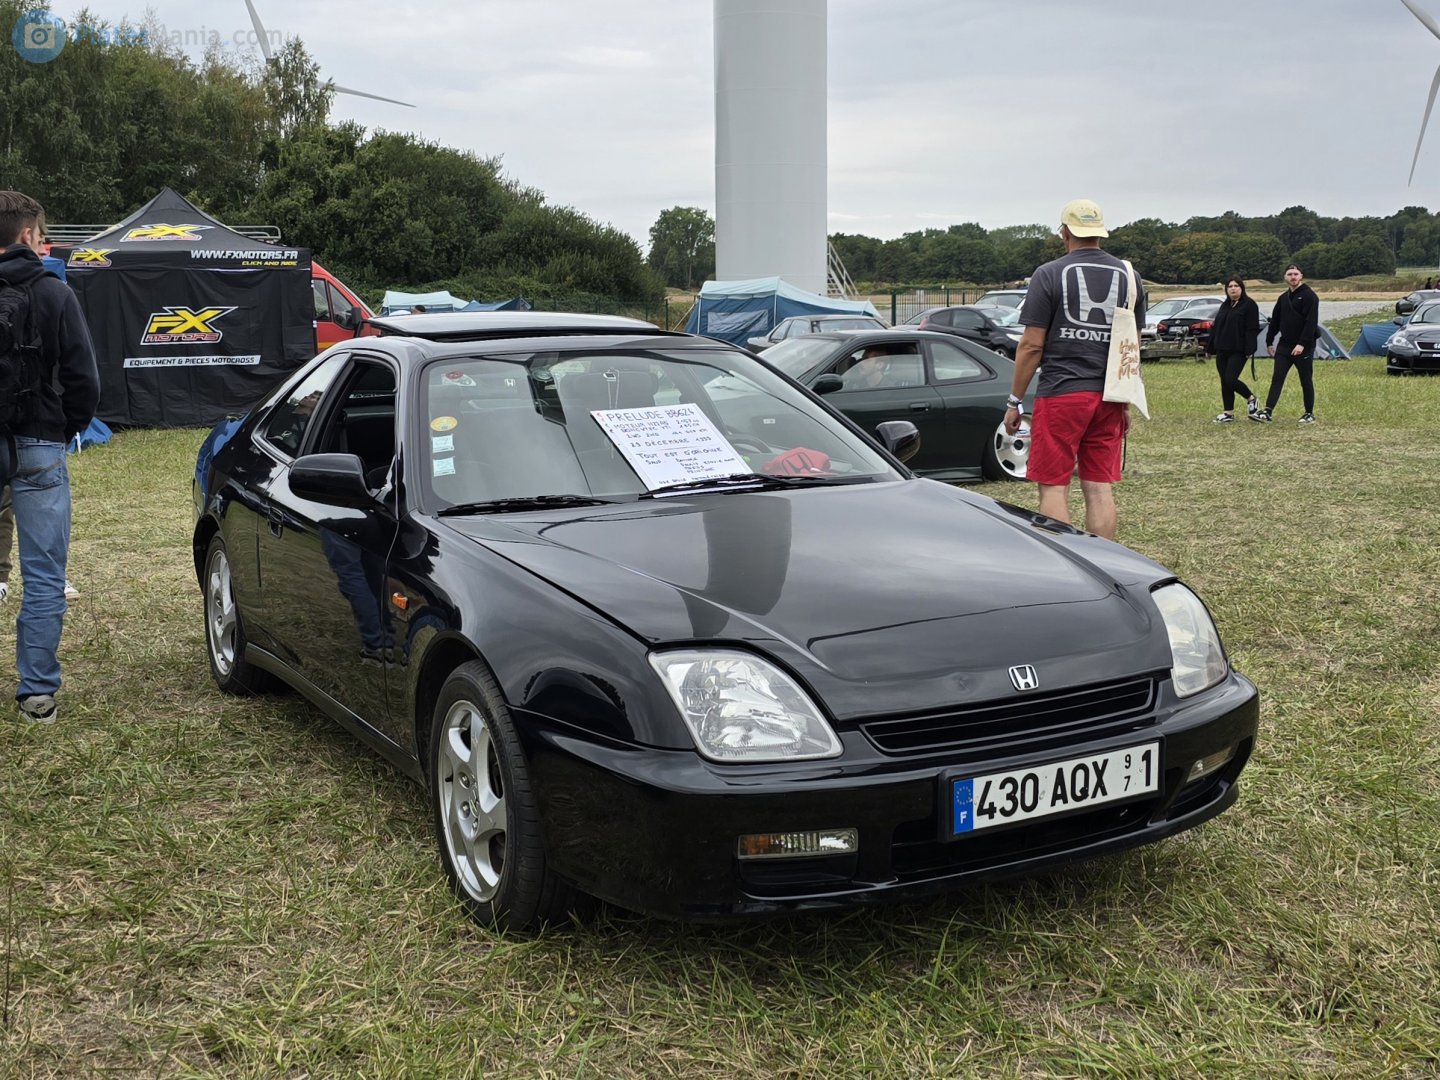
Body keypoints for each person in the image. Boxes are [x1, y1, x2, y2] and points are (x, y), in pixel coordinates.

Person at [0, 191, 100, 722]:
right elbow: (85, 378)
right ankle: (36, 693)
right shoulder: (55, 293)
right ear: (25, 237)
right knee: (42, 575)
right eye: (43, 238)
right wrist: (67, 429)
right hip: (38, 442)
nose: (45, 246)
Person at [1004, 198, 1144, 540]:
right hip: (1108, 396)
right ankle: (1105, 564)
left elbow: (1032, 344)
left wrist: (1014, 400)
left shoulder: (1049, 273)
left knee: (1053, 487)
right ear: (1100, 234)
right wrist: (1124, 402)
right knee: (1098, 488)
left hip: (1063, 392)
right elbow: (1131, 347)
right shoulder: (1131, 277)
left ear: (1064, 232)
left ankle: (1067, 567)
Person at [1255, 264, 1319, 425]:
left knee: (1306, 379)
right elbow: (1275, 321)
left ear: (1301, 276)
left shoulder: (1310, 296)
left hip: (1304, 345)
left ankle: (1309, 413)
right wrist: (1269, 341)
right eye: (1289, 274)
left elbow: (1311, 323)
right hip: (1284, 345)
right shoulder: (1283, 298)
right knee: (1277, 378)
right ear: (1285, 277)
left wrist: (1302, 344)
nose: (1293, 277)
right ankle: (1267, 411)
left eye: (1295, 274)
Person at [1207, 275, 1260, 423]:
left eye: (1236, 286)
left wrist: (1250, 348)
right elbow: (1216, 327)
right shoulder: (1225, 305)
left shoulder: (1249, 305)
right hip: (1222, 349)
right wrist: (1210, 348)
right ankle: (1228, 413)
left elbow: (1252, 329)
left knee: (1231, 379)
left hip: (1239, 350)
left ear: (1242, 288)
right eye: (1230, 286)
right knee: (1224, 381)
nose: (1233, 289)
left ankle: (1251, 398)